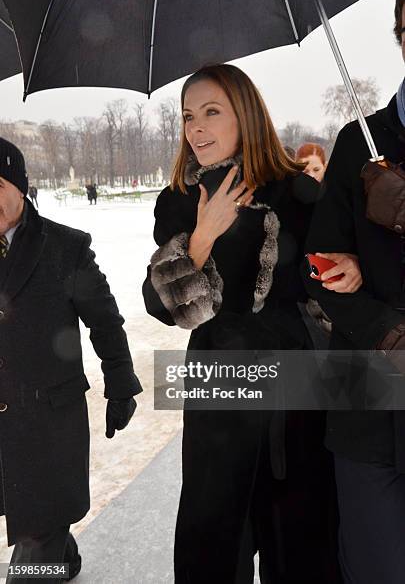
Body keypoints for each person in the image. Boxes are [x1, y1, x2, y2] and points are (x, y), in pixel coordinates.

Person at [143, 64, 362, 584]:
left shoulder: (298, 190)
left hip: (299, 388)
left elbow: (329, 276)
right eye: (188, 116)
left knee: (305, 539)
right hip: (220, 388)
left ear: (245, 114)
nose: (195, 128)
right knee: (215, 542)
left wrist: (351, 266)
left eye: (211, 112)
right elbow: (160, 306)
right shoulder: (178, 200)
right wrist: (201, 237)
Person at [0, 137, 142, 583]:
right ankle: (62, 552)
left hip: (47, 422)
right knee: (26, 514)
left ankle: (48, 555)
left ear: (20, 186)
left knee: (32, 558)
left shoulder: (65, 248)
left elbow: (105, 322)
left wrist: (120, 385)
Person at [302, 0, 405, 583]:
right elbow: (319, 271)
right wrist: (384, 328)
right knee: (375, 568)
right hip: (367, 402)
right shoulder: (357, 144)